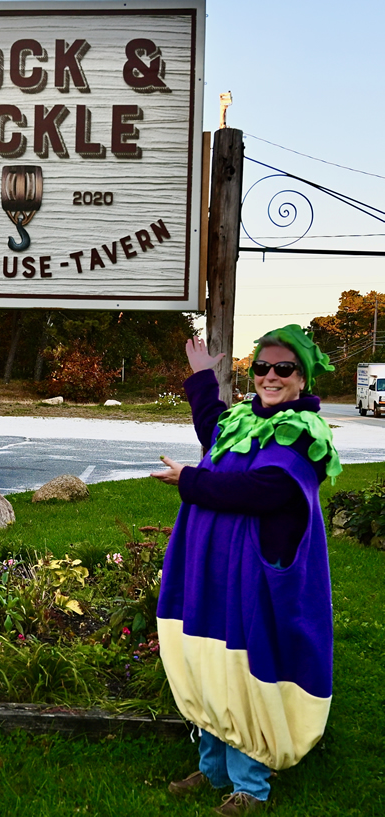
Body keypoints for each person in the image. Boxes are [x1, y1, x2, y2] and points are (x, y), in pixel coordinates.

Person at [150, 326, 340, 816]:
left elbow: (262, 491)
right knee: (208, 664)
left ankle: (250, 787)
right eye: (261, 367)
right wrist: (201, 379)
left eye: (283, 369)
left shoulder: (301, 434)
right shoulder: (246, 418)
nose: (270, 377)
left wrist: (189, 480)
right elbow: (216, 427)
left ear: (303, 378)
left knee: (241, 673)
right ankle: (214, 769)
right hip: (214, 568)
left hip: (254, 575)